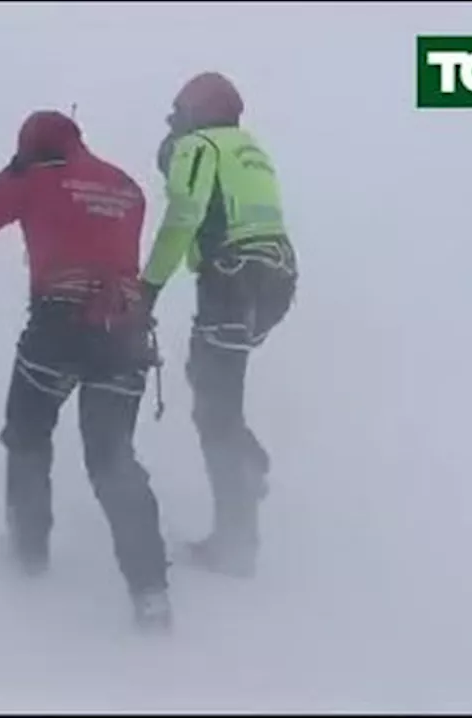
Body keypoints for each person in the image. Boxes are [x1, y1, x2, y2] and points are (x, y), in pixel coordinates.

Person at [0, 110, 172, 631]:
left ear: (30, 148)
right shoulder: (127, 187)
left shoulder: (35, 177)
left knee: (27, 436)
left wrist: (13, 172)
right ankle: (151, 594)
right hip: (124, 330)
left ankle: (29, 551)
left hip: (59, 328)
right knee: (114, 461)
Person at [140, 72, 298, 579]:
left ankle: (237, 539)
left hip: (230, 278)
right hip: (276, 279)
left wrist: (148, 287)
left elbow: (184, 213)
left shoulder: (200, 145)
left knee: (214, 404)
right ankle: (246, 477)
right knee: (218, 390)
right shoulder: (249, 148)